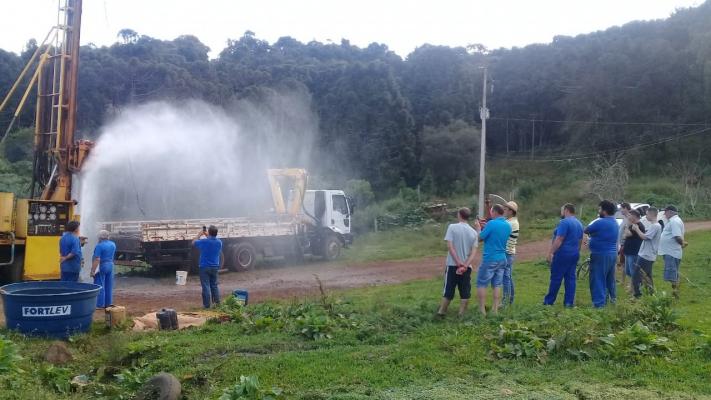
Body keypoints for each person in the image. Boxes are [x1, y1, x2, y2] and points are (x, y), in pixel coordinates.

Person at [437, 208, 478, 317]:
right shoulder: (474, 232)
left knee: (448, 290)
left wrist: (458, 263)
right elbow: (473, 252)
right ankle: (461, 314)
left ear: (459, 215)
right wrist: (464, 265)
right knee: (465, 291)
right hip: (467, 267)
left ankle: (442, 312)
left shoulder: (452, 227)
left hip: (452, 265)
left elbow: (450, 247)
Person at [544, 203, 584, 307]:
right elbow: (580, 240)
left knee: (556, 278)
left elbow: (559, 239)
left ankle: (549, 302)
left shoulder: (564, 222)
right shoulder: (579, 223)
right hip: (574, 254)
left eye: (562, 210)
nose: (561, 212)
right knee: (570, 279)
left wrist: (550, 253)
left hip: (562, 254)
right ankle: (568, 303)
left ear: (566, 210)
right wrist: (577, 252)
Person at [475, 204, 511, 315]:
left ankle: (482, 310)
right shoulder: (507, 225)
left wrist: (478, 228)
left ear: (494, 212)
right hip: (502, 258)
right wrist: (487, 227)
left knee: (481, 283)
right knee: (497, 284)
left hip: (490, 258)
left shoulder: (491, 223)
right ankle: (495, 310)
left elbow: (479, 238)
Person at [584, 200, 619, 308]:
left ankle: (599, 304)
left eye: (600, 209)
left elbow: (586, 230)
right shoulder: (615, 222)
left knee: (597, 279)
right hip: (612, 254)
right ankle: (612, 300)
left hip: (600, 255)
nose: (598, 211)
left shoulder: (600, 222)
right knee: (609, 279)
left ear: (604, 210)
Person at [631, 208, 662, 298]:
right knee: (648, 276)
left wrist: (637, 229)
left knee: (636, 275)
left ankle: (637, 295)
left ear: (652, 215)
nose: (646, 216)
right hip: (647, 255)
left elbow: (645, 237)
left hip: (646, 255)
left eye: (647, 214)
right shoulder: (654, 226)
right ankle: (651, 294)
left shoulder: (656, 226)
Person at [658, 205, 686, 298]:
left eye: (665, 212)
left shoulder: (674, 221)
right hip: (670, 251)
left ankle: (675, 292)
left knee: (672, 274)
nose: (664, 214)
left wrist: (682, 243)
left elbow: (677, 236)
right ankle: (675, 291)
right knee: (673, 273)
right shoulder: (673, 221)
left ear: (670, 212)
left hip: (672, 252)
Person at [193, 225, 223, 308]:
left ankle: (206, 305)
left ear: (209, 232)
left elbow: (193, 242)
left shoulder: (204, 242)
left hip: (204, 267)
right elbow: (212, 240)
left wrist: (199, 234)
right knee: (214, 285)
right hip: (215, 267)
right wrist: (207, 235)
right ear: (216, 233)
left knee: (206, 286)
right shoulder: (219, 242)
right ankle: (217, 303)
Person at [91, 230, 117, 309]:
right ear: (108, 236)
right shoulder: (113, 244)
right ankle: (108, 303)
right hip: (110, 265)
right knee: (108, 285)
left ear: (99, 237)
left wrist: (93, 270)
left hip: (102, 265)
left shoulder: (99, 246)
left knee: (100, 284)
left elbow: (97, 259)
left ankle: (99, 304)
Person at [622, 210, 646, 292]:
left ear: (634, 216)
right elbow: (624, 236)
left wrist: (626, 226)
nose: (628, 217)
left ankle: (636, 289)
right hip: (628, 251)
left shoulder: (638, 225)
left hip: (634, 252)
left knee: (633, 272)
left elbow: (627, 234)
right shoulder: (632, 225)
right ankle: (634, 286)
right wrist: (626, 230)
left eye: (629, 215)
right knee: (628, 271)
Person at [502, 201, 520, 306]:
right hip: (509, 252)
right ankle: (510, 300)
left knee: (506, 277)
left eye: (506, 209)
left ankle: (506, 301)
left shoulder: (510, 223)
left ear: (511, 211)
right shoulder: (510, 221)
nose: (504, 211)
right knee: (508, 276)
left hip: (507, 253)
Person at [617, 202, 632, 287]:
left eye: (621, 208)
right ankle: (623, 281)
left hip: (626, 243)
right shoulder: (625, 218)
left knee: (629, 264)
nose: (620, 210)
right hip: (622, 244)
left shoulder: (630, 218)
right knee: (623, 263)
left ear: (626, 208)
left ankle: (630, 283)